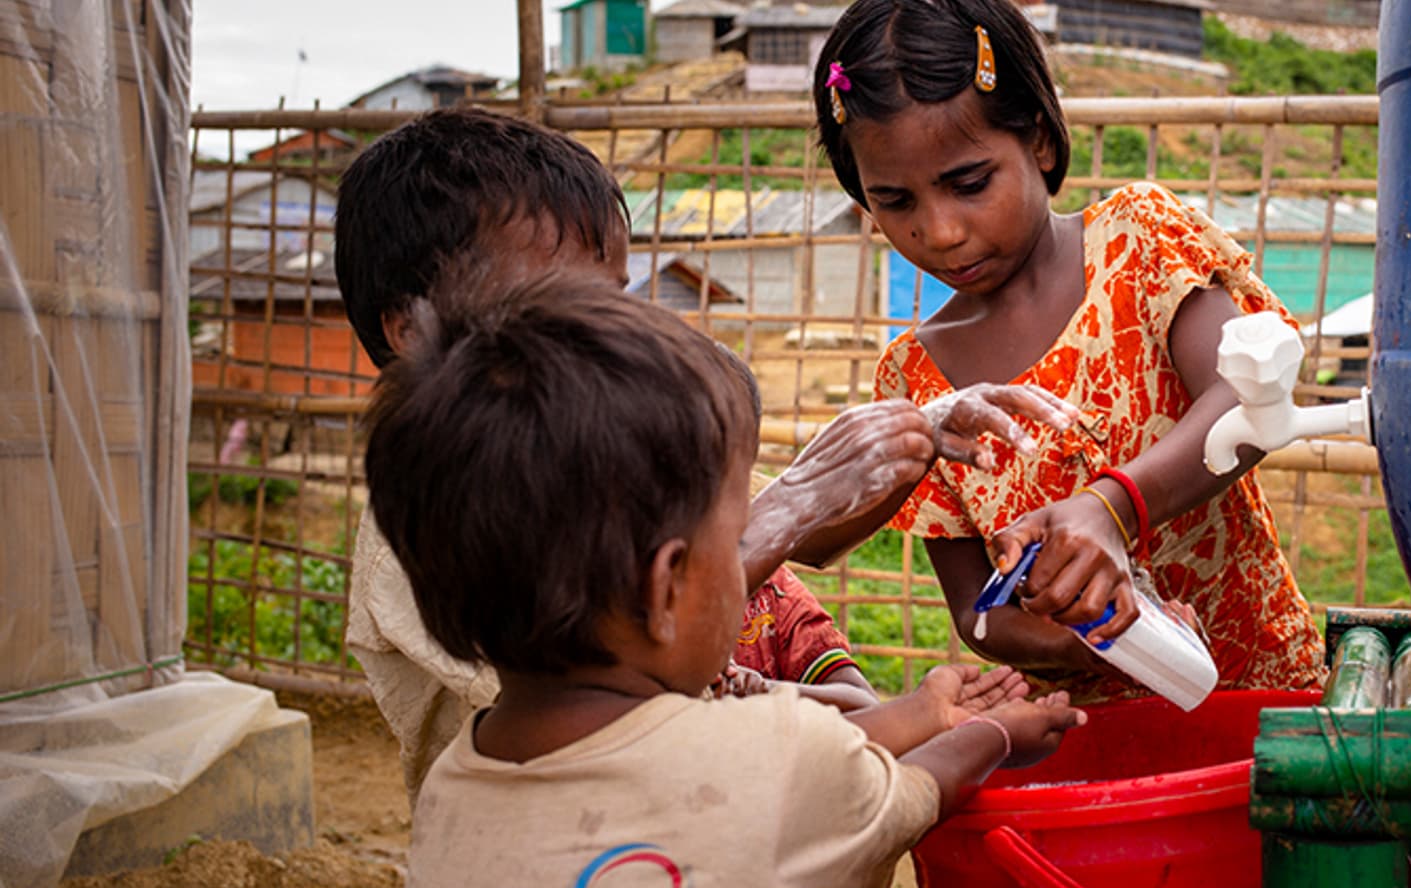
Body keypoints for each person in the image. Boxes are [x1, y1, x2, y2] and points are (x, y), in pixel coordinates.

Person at [333, 106, 1078, 800]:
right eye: (559, 303)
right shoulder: (429, 528)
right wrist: (795, 503)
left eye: (612, 297)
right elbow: (591, 688)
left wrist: (906, 440)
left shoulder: (614, 455)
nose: (610, 328)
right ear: (413, 333)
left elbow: (773, 555)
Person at [368, 275, 1083, 888]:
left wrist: (924, 710)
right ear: (666, 587)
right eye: (738, 532)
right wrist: (989, 734)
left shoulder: (455, 782)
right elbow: (898, 796)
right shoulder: (765, 759)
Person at [812, 0, 1325, 703]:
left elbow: (1248, 402)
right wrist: (1102, 639)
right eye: (895, 202)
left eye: (969, 184)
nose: (940, 231)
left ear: (1041, 143)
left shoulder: (1138, 245)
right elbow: (977, 613)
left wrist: (1113, 508)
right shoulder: (916, 380)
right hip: (1089, 738)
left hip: (1263, 699)